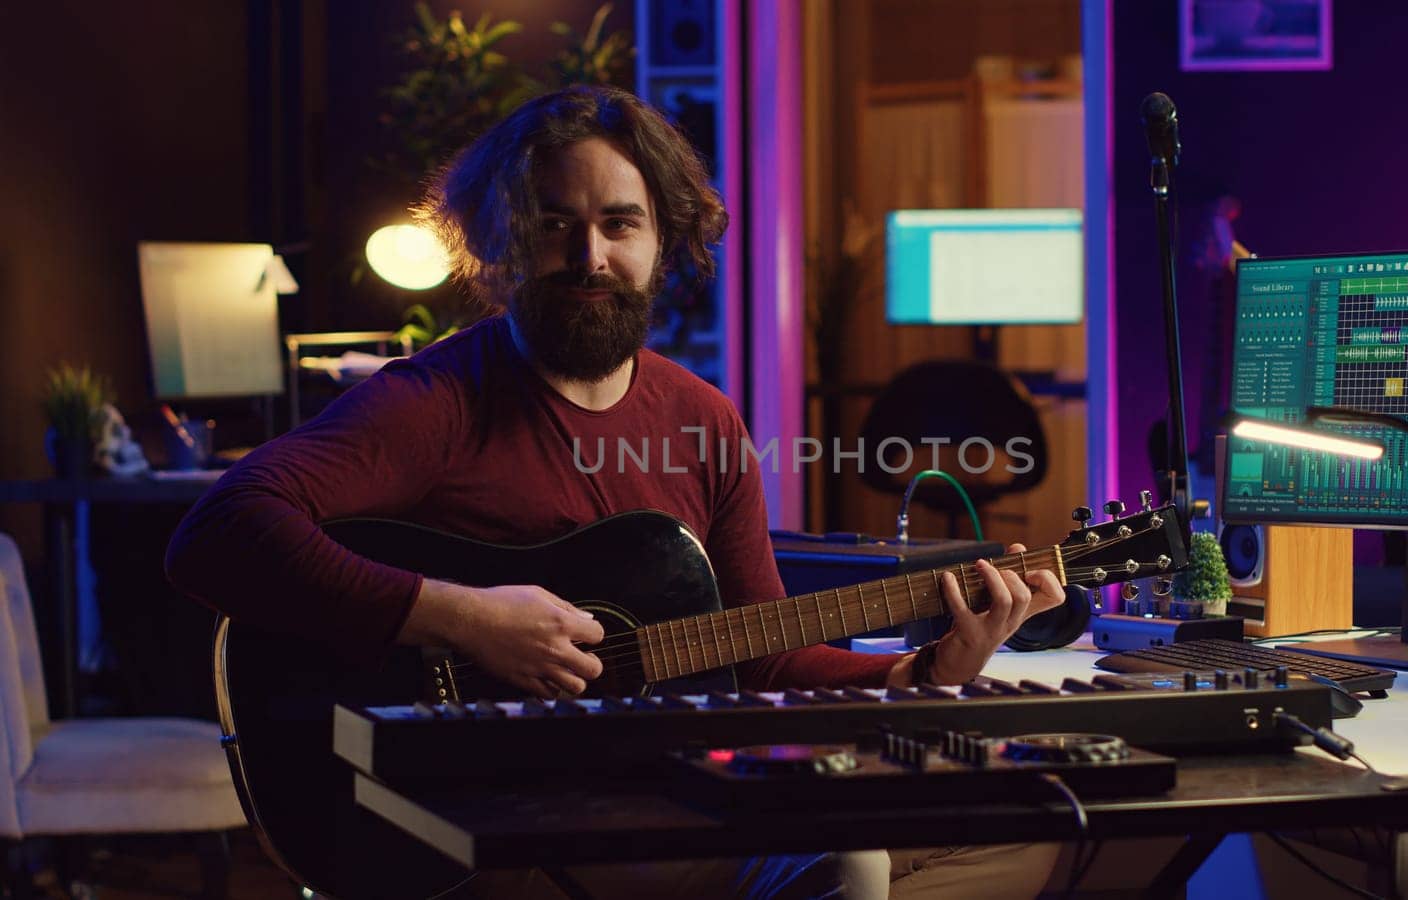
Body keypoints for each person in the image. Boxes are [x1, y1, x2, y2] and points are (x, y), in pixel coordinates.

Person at [166, 85, 1065, 899]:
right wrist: (459, 619)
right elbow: (219, 531)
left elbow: (762, 661)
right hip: (472, 823)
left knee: (1033, 833)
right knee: (849, 868)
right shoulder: (433, 401)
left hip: (658, 800)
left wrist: (921, 672)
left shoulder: (703, 419)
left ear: (663, 241)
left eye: (620, 224)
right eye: (555, 223)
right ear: (504, 239)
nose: (588, 255)